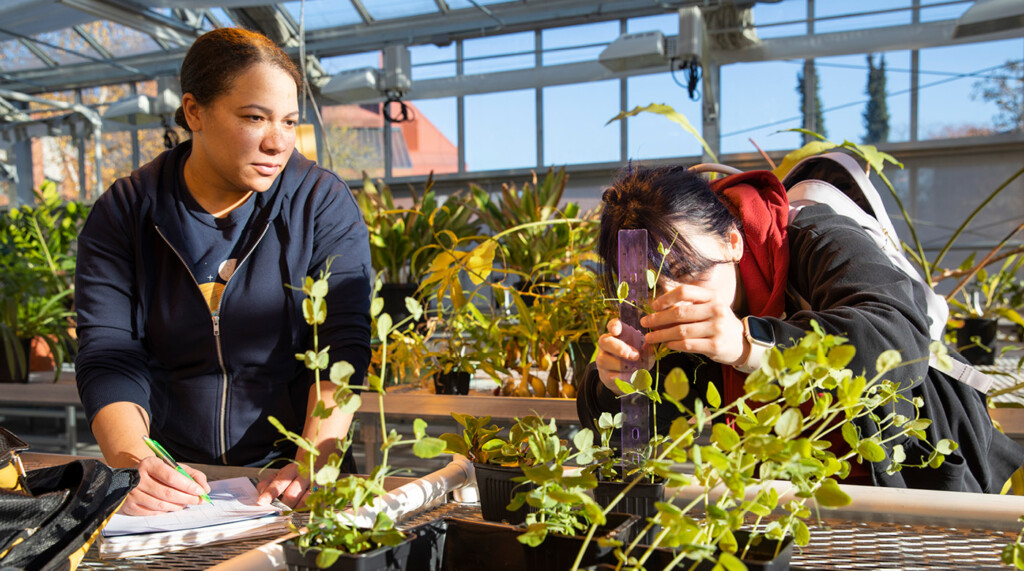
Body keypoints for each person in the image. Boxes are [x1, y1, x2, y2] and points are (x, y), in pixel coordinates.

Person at [576, 164, 1024, 493]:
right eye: (647, 284)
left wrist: (749, 343)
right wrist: (617, 387)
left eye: (686, 269)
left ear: (732, 241)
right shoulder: (664, 314)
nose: (671, 296)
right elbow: (663, 431)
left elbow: (899, 336)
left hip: (914, 476)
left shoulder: (813, 237)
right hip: (786, 503)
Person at [75, 27, 372, 516]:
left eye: (290, 121)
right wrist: (133, 461)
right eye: (255, 117)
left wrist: (315, 459)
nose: (279, 142)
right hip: (179, 481)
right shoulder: (127, 210)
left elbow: (342, 344)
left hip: (297, 471)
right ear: (195, 111)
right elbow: (108, 351)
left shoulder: (320, 202)